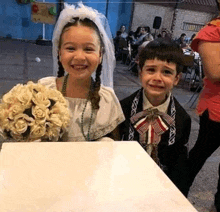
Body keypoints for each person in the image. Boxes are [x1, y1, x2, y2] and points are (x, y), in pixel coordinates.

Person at [38, 2, 125, 141]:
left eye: (89, 49)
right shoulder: (44, 90)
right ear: (59, 53)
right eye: (70, 48)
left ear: (100, 55)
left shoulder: (107, 100)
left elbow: (112, 149)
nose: (79, 57)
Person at [119, 38, 191, 196]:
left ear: (176, 79)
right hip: (125, 180)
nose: (157, 78)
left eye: (166, 72)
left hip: (162, 187)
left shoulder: (182, 118)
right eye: (151, 70)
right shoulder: (123, 108)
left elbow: (179, 166)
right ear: (140, 73)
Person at [186, 1, 220, 210]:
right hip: (216, 109)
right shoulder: (212, 31)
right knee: (198, 156)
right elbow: (215, 72)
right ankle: (177, 191)